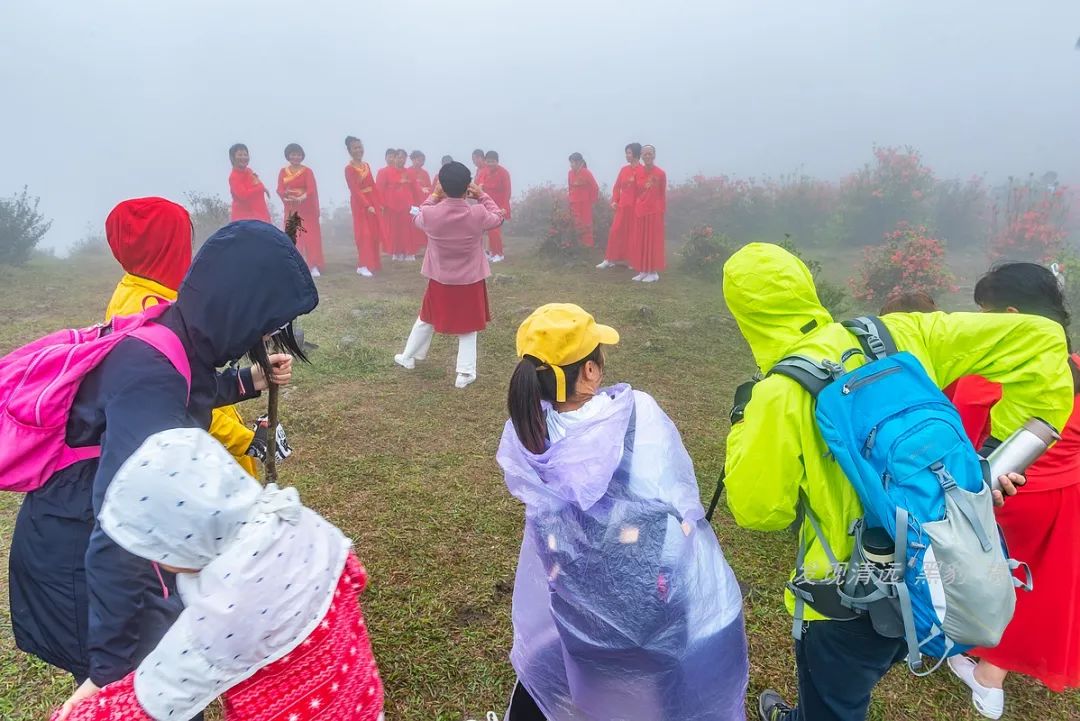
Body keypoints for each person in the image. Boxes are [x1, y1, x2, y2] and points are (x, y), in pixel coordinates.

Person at [719, 243, 1073, 721]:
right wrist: (994, 459)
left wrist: (744, 427)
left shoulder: (776, 395)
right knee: (868, 671)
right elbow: (1040, 340)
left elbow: (761, 513)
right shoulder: (900, 332)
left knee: (835, 703)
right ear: (806, 285)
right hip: (936, 569)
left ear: (743, 315)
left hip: (847, 595)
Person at [8, 220, 317, 716]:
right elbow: (119, 532)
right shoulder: (150, 375)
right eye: (264, 322)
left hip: (93, 546)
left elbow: (186, 388)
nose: (263, 335)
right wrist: (112, 676)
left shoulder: (170, 333)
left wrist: (244, 381)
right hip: (81, 561)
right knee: (155, 699)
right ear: (237, 307)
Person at [498, 303, 749, 721]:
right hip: (651, 590)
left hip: (572, 587)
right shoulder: (637, 413)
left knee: (584, 671)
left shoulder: (526, 430)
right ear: (591, 371)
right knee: (664, 680)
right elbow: (676, 496)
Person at [54, 428, 384, 721]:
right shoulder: (297, 518)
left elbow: (157, 695)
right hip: (359, 694)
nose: (159, 563)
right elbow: (356, 576)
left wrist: (83, 712)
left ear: (185, 538)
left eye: (159, 551)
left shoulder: (224, 612)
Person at [944, 262, 1080, 718]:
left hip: (1010, 498)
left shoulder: (992, 379)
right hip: (1067, 497)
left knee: (990, 576)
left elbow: (957, 442)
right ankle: (992, 674)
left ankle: (982, 666)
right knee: (1039, 587)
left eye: (985, 314)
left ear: (1012, 314)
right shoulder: (1074, 366)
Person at [102, 197, 260, 478]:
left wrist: (249, 379)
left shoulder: (142, 291)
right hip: (196, 462)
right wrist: (244, 439)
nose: (189, 248)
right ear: (163, 245)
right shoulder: (149, 316)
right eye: (183, 238)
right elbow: (185, 403)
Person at [393, 161, 503, 389]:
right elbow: (498, 216)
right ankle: (465, 372)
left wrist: (434, 195)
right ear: (467, 187)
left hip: (440, 278)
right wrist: (482, 195)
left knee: (426, 318)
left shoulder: (431, 214)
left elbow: (416, 214)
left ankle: (408, 357)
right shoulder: (478, 213)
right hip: (470, 279)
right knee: (469, 324)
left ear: (441, 184)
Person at [276, 143, 325, 277]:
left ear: (302, 156)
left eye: (298, 154)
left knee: (310, 237)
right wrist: (285, 197)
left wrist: (303, 197)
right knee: (293, 237)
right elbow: (280, 189)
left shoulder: (307, 171)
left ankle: (313, 265)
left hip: (306, 208)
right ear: (288, 156)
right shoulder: (283, 172)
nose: (296, 157)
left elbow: (311, 189)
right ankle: (296, 265)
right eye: (293, 154)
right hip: (291, 208)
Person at [596, 143, 643, 270]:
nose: (626, 155)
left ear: (636, 154)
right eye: (626, 153)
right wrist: (614, 200)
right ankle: (609, 259)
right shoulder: (624, 170)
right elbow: (617, 187)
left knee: (634, 234)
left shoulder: (643, 171)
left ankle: (633, 261)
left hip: (636, 209)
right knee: (615, 231)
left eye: (629, 153)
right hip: (622, 207)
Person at [345, 136, 383, 278]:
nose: (359, 150)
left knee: (373, 233)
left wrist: (378, 203)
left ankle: (373, 263)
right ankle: (363, 265)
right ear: (349, 150)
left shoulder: (366, 166)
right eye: (355, 148)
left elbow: (372, 185)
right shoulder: (349, 169)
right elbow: (354, 190)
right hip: (359, 204)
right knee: (364, 234)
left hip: (372, 200)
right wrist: (367, 205)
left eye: (360, 147)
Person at [629, 145, 666, 283]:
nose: (647, 156)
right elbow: (635, 193)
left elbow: (662, 195)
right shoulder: (638, 173)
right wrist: (635, 209)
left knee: (652, 241)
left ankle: (653, 271)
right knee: (641, 241)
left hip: (654, 212)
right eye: (645, 154)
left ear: (654, 155)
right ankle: (643, 270)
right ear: (641, 156)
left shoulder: (660, 174)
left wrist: (661, 210)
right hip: (640, 211)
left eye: (650, 154)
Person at [377, 148, 415, 261]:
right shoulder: (386, 172)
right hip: (392, 205)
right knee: (394, 230)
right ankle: (396, 252)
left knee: (407, 229)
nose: (401, 160)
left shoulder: (409, 172)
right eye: (398, 157)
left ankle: (408, 252)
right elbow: (380, 189)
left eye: (403, 157)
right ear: (394, 158)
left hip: (406, 205)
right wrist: (382, 204)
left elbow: (414, 188)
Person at [478, 150, 511, 262]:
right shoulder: (483, 171)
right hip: (486, 204)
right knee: (486, 229)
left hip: (499, 205)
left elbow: (507, 191)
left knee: (495, 230)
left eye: (492, 162)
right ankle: (491, 252)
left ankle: (499, 253)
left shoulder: (504, 173)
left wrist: (504, 207)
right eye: (488, 161)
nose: (490, 164)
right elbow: (479, 186)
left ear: (497, 162)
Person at [227, 143, 271, 222]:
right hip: (244, 220)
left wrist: (263, 188)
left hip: (260, 216)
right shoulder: (234, 177)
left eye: (245, 155)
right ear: (232, 158)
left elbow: (257, 182)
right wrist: (260, 189)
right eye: (240, 155)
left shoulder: (249, 171)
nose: (243, 157)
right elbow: (243, 195)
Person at [567, 152, 599, 248]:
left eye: (573, 162)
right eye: (571, 162)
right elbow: (570, 187)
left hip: (585, 204)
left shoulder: (586, 173)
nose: (571, 165)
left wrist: (592, 201)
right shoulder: (570, 173)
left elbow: (595, 187)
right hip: (573, 203)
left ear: (579, 162)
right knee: (576, 224)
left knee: (586, 224)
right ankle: (577, 246)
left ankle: (588, 247)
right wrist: (570, 198)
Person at [407, 150, 433, 254]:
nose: (421, 162)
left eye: (423, 160)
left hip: (423, 201)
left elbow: (429, 187)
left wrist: (425, 190)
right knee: (413, 224)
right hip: (412, 202)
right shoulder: (408, 171)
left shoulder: (425, 173)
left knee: (424, 223)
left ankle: (425, 247)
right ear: (413, 159)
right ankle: (414, 247)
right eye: (419, 159)